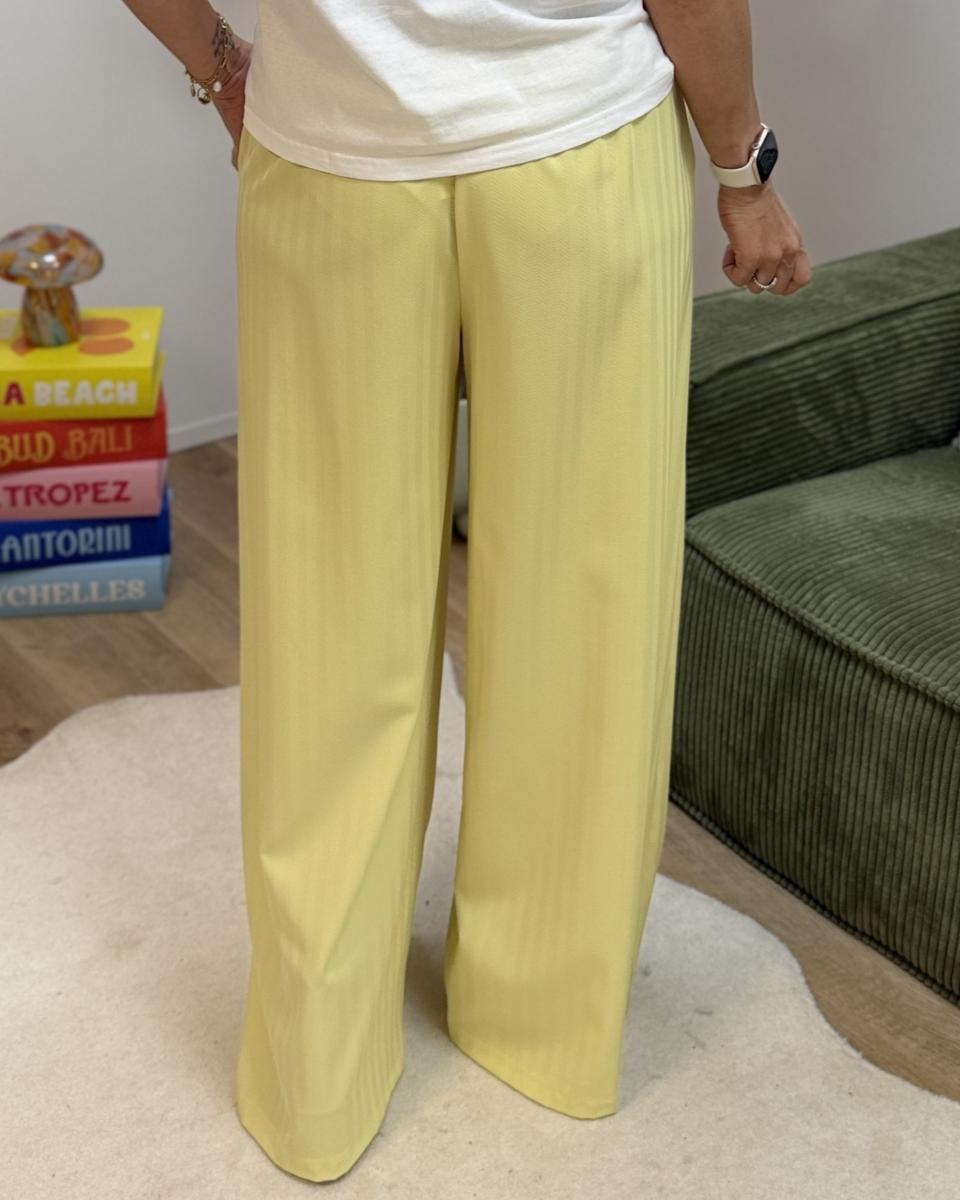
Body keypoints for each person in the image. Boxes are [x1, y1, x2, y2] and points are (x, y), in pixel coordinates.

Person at [123, 0, 811, 1183]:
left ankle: (316, 1068)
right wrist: (744, 163)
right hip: (574, 140)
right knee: (581, 610)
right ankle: (541, 1020)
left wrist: (222, 66)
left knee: (326, 632)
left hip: (330, 154)